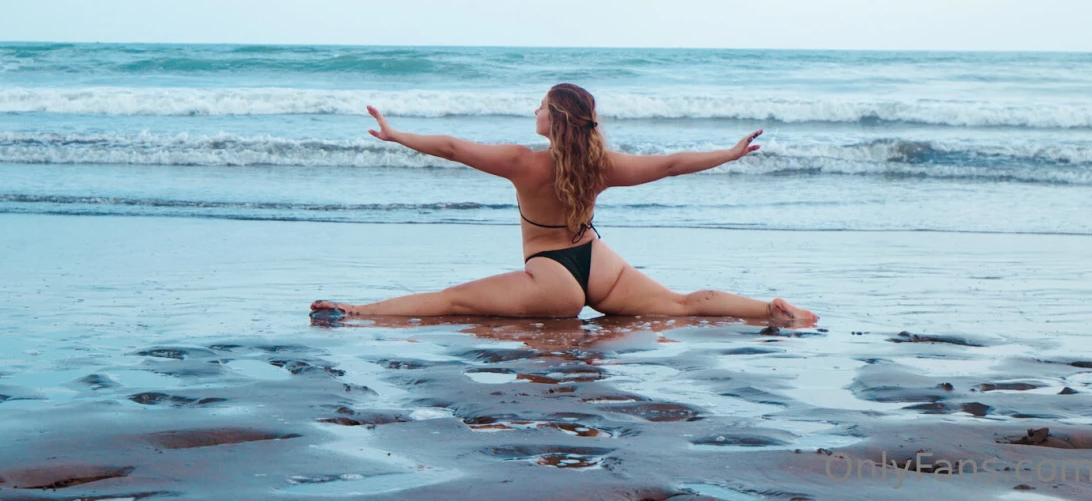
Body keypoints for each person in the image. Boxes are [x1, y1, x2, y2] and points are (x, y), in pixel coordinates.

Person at [310, 82, 818, 326]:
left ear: (552, 119)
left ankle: (357, 311)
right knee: (683, 304)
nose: (533, 110)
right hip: (600, 263)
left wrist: (397, 136)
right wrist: (728, 155)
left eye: (539, 105)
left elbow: (449, 146)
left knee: (451, 300)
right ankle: (767, 308)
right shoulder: (603, 165)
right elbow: (670, 164)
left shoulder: (521, 162)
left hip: (551, 277)